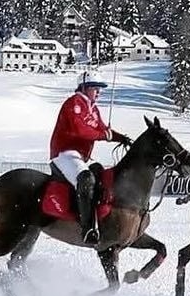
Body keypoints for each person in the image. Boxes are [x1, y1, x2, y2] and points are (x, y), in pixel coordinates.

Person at [49, 71, 132, 245]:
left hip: (81, 158)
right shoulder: (74, 103)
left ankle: (101, 221)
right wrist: (103, 135)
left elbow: (103, 129)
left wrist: (121, 138)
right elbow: (80, 130)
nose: (99, 93)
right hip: (64, 154)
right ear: (85, 88)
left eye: (100, 89)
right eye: (96, 88)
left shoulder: (93, 109)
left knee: (102, 175)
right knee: (86, 179)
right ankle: (87, 229)